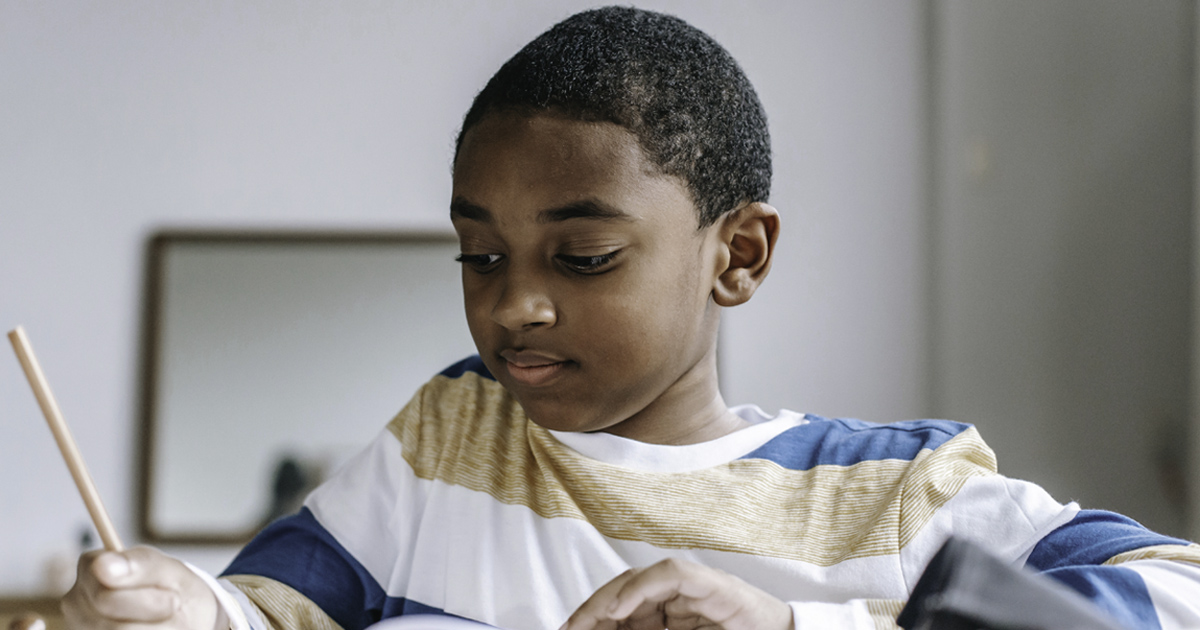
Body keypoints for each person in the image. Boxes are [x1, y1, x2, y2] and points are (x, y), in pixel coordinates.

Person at [63, 6, 1200, 630]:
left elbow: (1174, 597)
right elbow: (270, 616)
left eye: (585, 255)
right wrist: (182, 609)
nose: (512, 302)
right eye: (480, 254)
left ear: (737, 255)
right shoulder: (452, 440)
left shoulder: (889, 494)